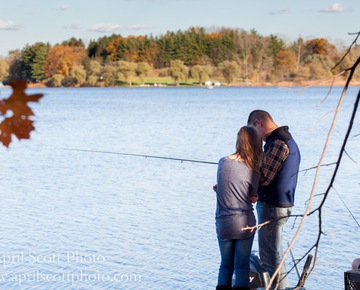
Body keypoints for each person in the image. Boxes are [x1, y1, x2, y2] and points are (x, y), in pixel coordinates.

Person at [247, 110, 301, 289]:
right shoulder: (286, 140)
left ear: (258, 123)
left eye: (252, 131)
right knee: (273, 255)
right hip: (277, 204)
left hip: (273, 207)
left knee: (270, 257)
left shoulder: (278, 143)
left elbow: (264, 177)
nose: (255, 138)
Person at [215, 126, 263, 290]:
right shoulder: (253, 168)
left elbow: (223, 186)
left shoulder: (223, 162)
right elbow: (252, 197)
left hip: (224, 223)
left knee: (225, 265)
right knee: (241, 266)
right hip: (244, 223)